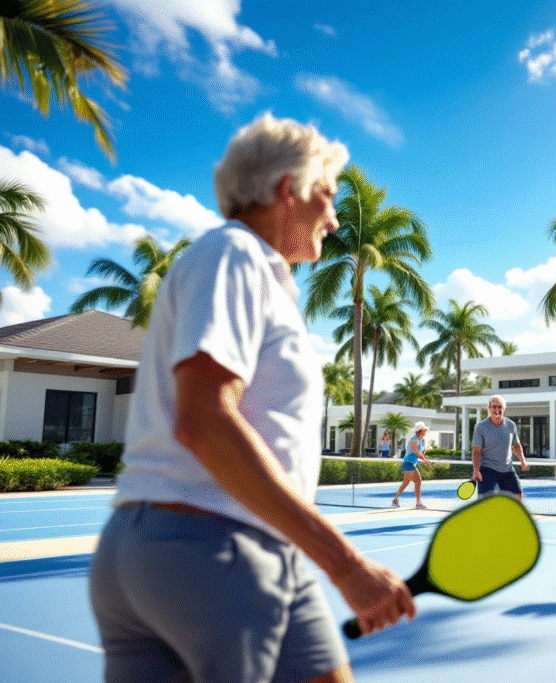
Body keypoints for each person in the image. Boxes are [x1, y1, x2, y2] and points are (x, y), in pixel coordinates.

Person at [89, 114, 415, 683]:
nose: (335, 221)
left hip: (233, 548)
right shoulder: (233, 254)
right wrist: (348, 567)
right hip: (211, 550)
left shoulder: (251, 270)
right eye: (328, 196)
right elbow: (205, 422)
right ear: (289, 191)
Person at [471, 395, 530, 500]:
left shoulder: (511, 425)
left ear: (504, 408)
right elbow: (476, 451)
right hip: (488, 469)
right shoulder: (481, 427)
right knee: (483, 502)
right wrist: (476, 471)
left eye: (500, 407)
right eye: (494, 407)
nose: (497, 410)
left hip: (507, 469)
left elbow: (516, 445)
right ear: (489, 408)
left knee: (518, 497)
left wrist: (523, 460)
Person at [392, 422, 432, 509]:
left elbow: (421, 454)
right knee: (407, 482)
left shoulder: (420, 440)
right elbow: (417, 453)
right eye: (424, 431)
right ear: (419, 432)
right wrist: (426, 461)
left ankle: (418, 503)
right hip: (408, 463)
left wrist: (426, 459)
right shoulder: (414, 440)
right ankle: (395, 500)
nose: (425, 433)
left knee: (418, 481)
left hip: (412, 464)